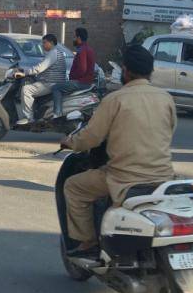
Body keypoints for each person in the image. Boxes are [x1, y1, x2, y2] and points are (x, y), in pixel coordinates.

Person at [60, 45, 177, 258]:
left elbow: (91, 137)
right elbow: (170, 130)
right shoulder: (166, 98)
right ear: (150, 71)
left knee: (73, 187)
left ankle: (88, 243)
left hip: (124, 179)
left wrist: (70, 142)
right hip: (164, 178)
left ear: (125, 71)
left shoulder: (115, 99)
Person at [15, 34, 67, 125]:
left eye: (44, 43)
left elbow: (40, 68)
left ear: (51, 43)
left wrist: (24, 73)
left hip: (50, 83)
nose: (42, 45)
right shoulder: (57, 52)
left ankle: (28, 117)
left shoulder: (53, 53)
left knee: (26, 90)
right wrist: (24, 70)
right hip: (54, 83)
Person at [50, 28, 96, 119]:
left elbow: (82, 69)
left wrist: (72, 77)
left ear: (78, 37)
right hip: (86, 81)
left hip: (81, 82)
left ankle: (57, 114)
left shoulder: (82, 50)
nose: (73, 39)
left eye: (74, 37)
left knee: (56, 88)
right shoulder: (88, 49)